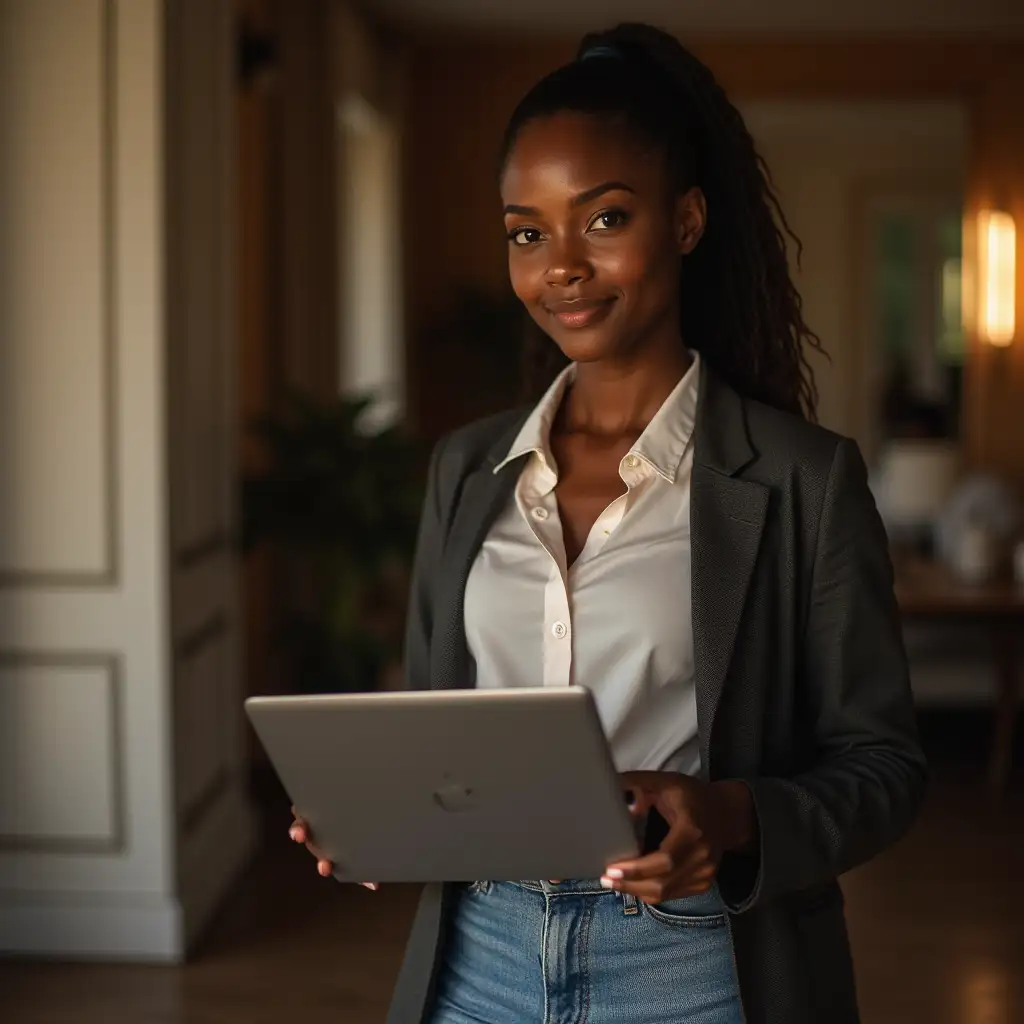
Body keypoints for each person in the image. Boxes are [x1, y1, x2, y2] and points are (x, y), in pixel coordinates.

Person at [289, 22, 927, 1024]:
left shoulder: (805, 480)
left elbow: (884, 767)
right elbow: (439, 719)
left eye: (604, 219)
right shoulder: (466, 468)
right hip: (480, 957)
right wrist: (379, 814)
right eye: (526, 231)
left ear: (684, 220)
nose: (561, 268)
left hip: (694, 967)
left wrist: (734, 815)